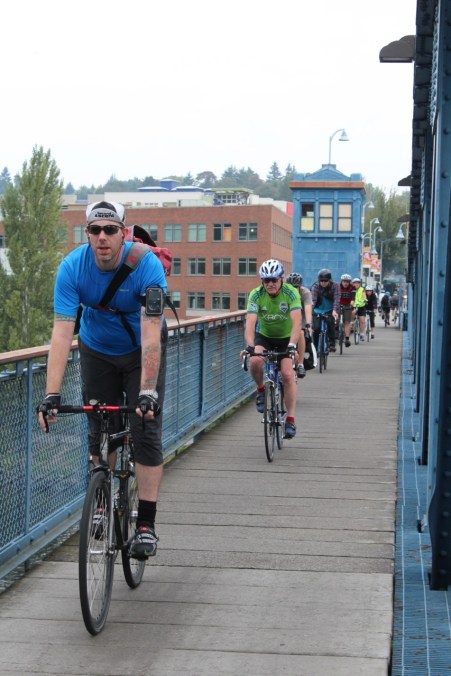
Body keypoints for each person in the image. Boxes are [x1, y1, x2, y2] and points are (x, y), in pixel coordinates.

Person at [38, 200, 167, 561]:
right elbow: (62, 333)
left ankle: (146, 523)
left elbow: (152, 333)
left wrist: (146, 392)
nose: (102, 237)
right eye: (95, 230)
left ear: (124, 233)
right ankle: (100, 501)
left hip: (142, 347)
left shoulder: (146, 265)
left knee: (145, 429)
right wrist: (51, 394)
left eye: (110, 230)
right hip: (96, 348)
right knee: (99, 425)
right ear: (87, 234)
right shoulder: (72, 268)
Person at [244, 259, 302, 439]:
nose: (270, 284)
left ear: (281, 279)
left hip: (286, 338)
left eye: (274, 280)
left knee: (286, 375)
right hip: (266, 336)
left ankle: (290, 419)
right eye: (266, 280)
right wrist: (250, 346)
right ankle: (261, 390)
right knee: (254, 361)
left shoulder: (291, 293)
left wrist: (292, 345)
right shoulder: (256, 294)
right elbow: (250, 323)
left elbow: (297, 323)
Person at [285, 272, 312, 378]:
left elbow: (308, 308)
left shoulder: (305, 292)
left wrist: (308, 324)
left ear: (300, 286)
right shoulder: (283, 293)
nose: (293, 289)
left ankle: (300, 364)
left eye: (295, 287)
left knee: (300, 332)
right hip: (286, 317)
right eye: (290, 286)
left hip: (301, 317)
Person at [310, 268, 340, 352]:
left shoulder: (335, 286)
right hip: (317, 309)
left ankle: (332, 343)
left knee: (331, 323)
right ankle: (315, 348)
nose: (323, 283)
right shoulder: (315, 286)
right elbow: (313, 300)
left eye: (325, 281)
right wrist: (310, 312)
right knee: (316, 328)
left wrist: (334, 310)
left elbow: (337, 299)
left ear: (329, 280)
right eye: (321, 281)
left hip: (330, 309)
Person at [338, 273, 354, 347]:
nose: (345, 283)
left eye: (347, 282)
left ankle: (347, 338)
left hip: (347, 305)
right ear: (341, 281)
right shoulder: (337, 287)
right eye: (344, 281)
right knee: (335, 320)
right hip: (338, 305)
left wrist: (351, 305)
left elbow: (353, 299)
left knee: (347, 322)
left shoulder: (352, 288)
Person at [352, 277, 367, 341]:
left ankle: (362, 334)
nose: (356, 284)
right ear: (353, 284)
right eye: (355, 283)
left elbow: (364, 295)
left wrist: (365, 299)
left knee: (362, 321)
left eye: (358, 283)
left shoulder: (362, 289)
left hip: (361, 306)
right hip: (354, 306)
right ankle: (352, 326)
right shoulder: (352, 290)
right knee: (352, 315)